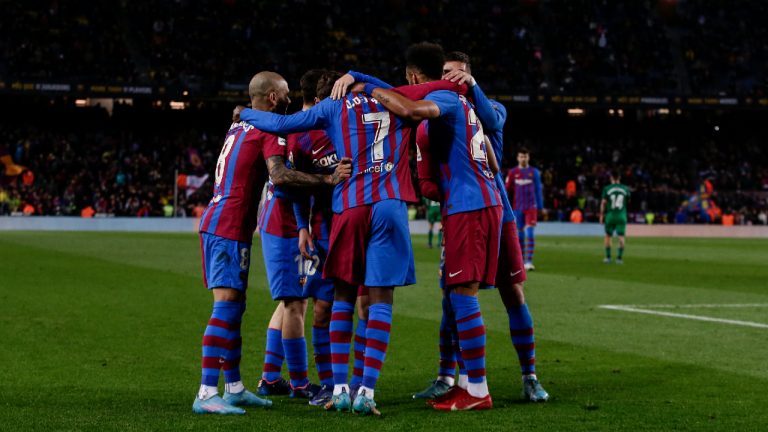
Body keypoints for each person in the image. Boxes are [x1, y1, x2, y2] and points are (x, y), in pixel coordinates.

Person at [232, 69, 455, 415]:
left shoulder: (332, 108)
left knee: (344, 297)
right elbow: (437, 88)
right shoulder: (394, 99)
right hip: (385, 205)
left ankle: (340, 389)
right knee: (377, 299)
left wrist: (244, 112)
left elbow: (279, 124)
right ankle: (364, 391)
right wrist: (465, 85)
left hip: (350, 206)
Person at [351, 42, 502, 411]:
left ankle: (478, 390)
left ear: (413, 76)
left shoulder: (444, 99)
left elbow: (410, 109)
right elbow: (493, 163)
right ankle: (466, 383)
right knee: (457, 294)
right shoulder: (462, 101)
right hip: (474, 201)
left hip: (469, 205)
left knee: (462, 295)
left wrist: (369, 89)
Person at [193, 71, 351, 415]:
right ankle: (206, 391)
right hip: (228, 225)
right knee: (226, 306)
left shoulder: (239, 125)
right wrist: (328, 179)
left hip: (226, 222)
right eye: (285, 94)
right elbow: (279, 175)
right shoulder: (270, 130)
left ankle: (234, 387)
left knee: (236, 306)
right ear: (274, 98)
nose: (290, 100)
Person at [411, 52, 549, 403]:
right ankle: (447, 376)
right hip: (462, 212)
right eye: (445, 73)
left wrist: (472, 87)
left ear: (470, 76)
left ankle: (530, 377)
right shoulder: (435, 118)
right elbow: (426, 179)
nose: (451, 79)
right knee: (451, 296)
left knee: (512, 292)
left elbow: (491, 119)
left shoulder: (491, 108)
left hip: (500, 214)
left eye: (458, 74)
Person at [256, 69, 330, 402]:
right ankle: (300, 384)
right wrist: (304, 223)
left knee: (289, 301)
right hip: (285, 223)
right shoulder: (300, 130)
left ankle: (271, 377)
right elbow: (285, 180)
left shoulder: (293, 127)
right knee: (296, 303)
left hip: (280, 220)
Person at [507, 148, 543, 271]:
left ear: (528, 157)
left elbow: (538, 190)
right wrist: (506, 206)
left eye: (525, 156)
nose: (523, 159)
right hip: (517, 207)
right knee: (520, 235)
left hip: (531, 207)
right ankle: (521, 261)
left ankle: (529, 261)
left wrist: (540, 206)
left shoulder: (534, 172)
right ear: (518, 158)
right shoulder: (513, 172)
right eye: (521, 156)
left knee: (530, 233)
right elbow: (507, 190)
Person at [600, 171, 630, 264]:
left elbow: (603, 203)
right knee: (621, 237)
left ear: (611, 178)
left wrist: (601, 215)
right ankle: (619, 258)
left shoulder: (607, 188)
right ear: (619, 178)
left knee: (608, 236)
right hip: (621, 215)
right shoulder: (626, 188)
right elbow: (628, 201)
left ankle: (608, 257)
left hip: (610, 215)